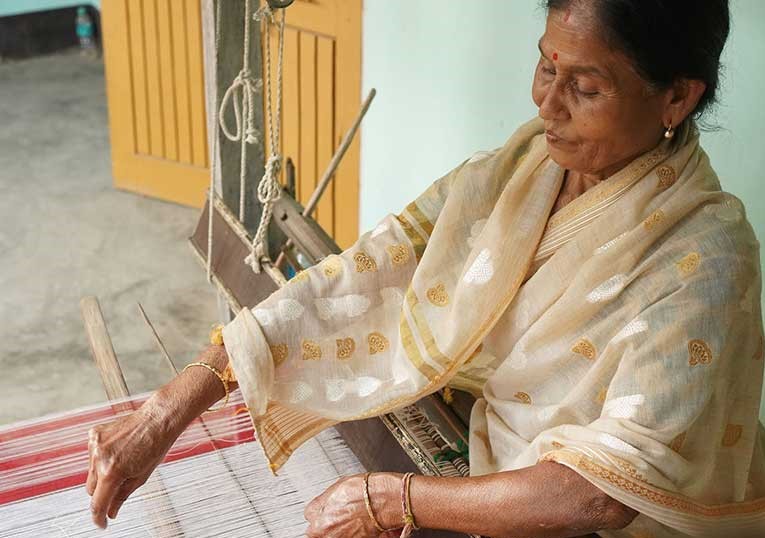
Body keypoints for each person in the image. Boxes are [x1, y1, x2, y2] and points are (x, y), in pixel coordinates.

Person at [86, 0, 765, 536]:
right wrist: (165, 412)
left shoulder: (705, 260)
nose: (545, 104)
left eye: (584, 87)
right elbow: (355, 278)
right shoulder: (515, 172)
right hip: (500, 462)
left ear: (674, 98)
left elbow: (602, 497)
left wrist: (392, 499)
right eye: (545, 68)